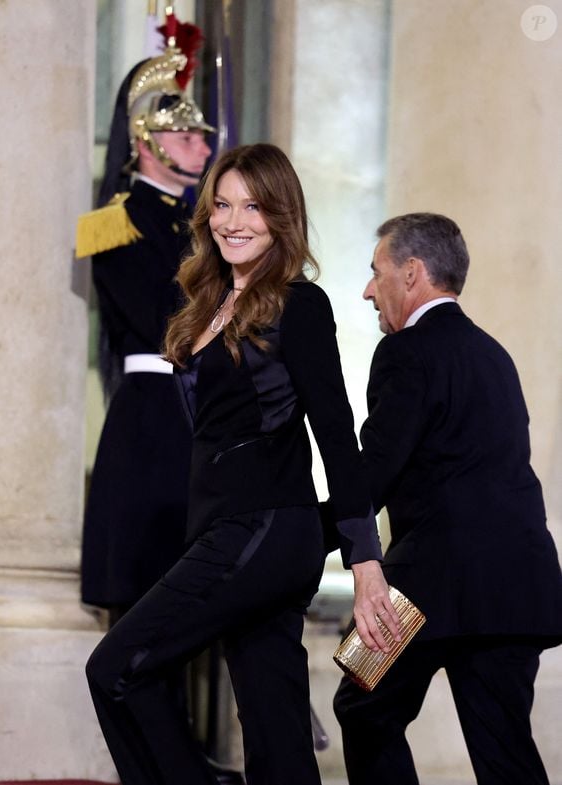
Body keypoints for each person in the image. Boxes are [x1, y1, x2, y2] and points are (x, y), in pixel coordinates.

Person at [85, 143, 401, 785]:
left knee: (115, 669)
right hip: (230, 531)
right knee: (276, 730)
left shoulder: (298, 303)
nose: (234, 220)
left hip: (260, 531)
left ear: (281, 215)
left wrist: (366, 564)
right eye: (223, 204)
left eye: (253, 206)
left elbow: (338, 439)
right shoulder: (203, 304)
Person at [333, 212, 562, 785]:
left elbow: (373, 472)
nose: (367, 289)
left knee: (361, 705)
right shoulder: (493, 354)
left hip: (426, 583)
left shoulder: (405, 351)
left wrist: (296, 534)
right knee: (504, 747)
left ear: (411, 274)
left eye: (375, 271)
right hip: (516, 584)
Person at [76, 38, 214, 621]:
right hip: (154, 412)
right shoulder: (111, 224)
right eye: (187, 138)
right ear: (147, 145)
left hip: (204, 408)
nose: (203, 146)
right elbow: (162, 314)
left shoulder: (205, 220)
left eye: (202, 136)